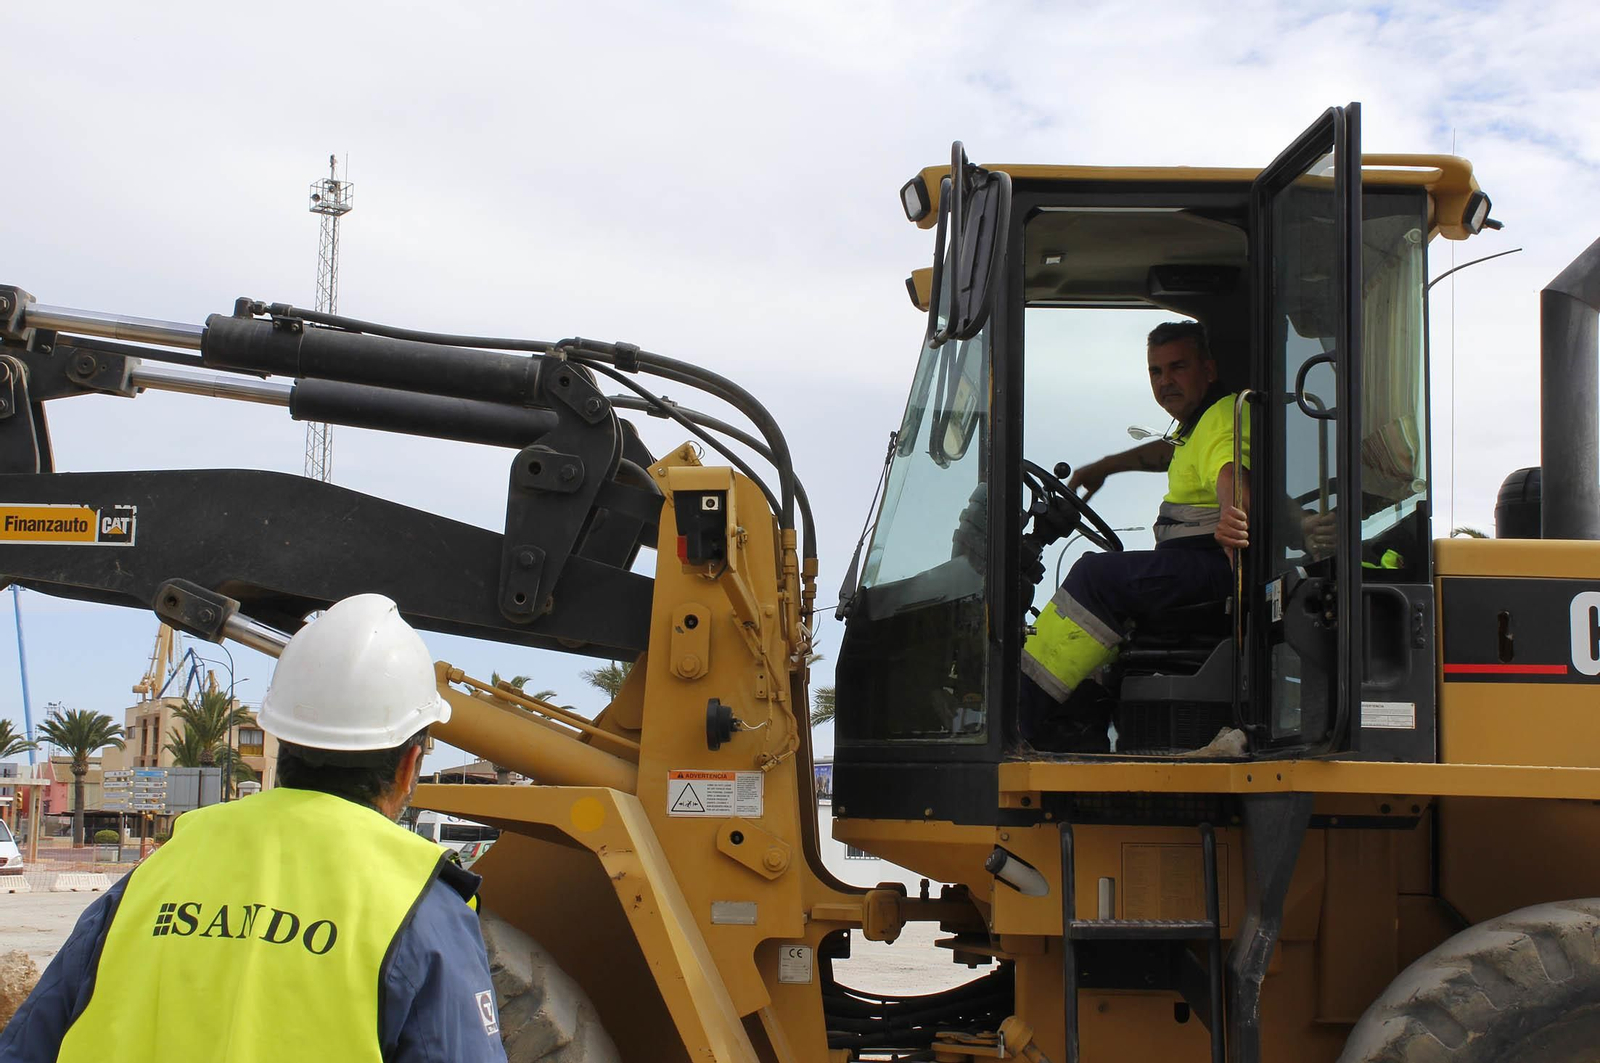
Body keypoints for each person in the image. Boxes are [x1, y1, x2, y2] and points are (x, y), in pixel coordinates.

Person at [0, 594, 508, 1063]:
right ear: (409, 764)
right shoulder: (422, 908)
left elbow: (27, 1046)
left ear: (281, 738)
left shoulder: (151, 878)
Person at [1021, 320, 1249, 749]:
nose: (1165, 382)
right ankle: (1076, 729)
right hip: (1198, 563)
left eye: (1178, 367)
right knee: (1108, 610)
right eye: (1156, 372)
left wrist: (1233, 515)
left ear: (1209, 369)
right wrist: (1106, 466)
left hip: (1216, 566)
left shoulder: (1222, 418)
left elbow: (1230, 471)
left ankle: (1017, 717)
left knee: (1097, 578)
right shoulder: (1194, 425)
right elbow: (1168, 452)